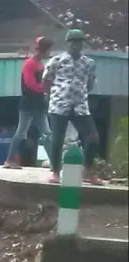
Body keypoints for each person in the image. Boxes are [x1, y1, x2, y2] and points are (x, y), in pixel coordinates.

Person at [43, 29, 102, 185]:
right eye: (74, 41)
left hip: (80, 106)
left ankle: (87, 171)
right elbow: (46, 80)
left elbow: (90, 83)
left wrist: (79, 93)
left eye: (80, 41)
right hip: (59, 104)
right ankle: (55, 172)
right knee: (57, 139)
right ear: (68, 43)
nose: (77, 45)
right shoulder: (57, 60)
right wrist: (52, 95)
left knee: (93, 137)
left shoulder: (89, 63)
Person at [3, 37, 53, 169]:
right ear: (44, 50)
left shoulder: (41, 65)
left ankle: (54, 162)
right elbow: (30, 84)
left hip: (39, 104)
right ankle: (9, 160)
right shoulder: (29, 64)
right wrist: (45, 88)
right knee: (21, 132)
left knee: (47, 133)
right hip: (28, 104)